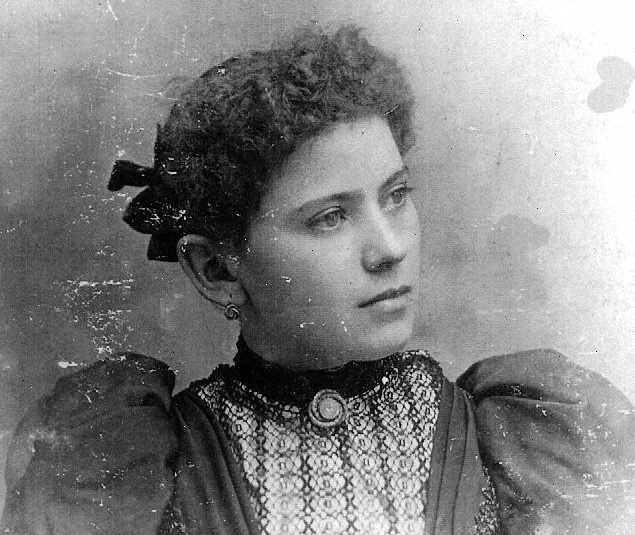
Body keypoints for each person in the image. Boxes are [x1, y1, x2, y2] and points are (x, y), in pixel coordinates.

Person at [2, 25, 633, 535]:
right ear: (216, 269)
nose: (390, 250)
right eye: (330, 218)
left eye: (396, 196)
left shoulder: (529, 438)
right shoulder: (128, 465)